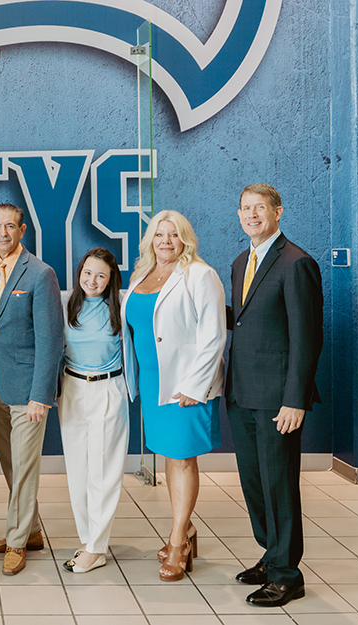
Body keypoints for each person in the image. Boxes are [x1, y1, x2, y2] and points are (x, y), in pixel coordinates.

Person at [226, 184, 323, 607]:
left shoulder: (296, 263)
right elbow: (242, 321)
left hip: (277, 397)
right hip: (242, 392)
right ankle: (271, 554)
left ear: (277, 212)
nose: (252, 215)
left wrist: (295, 399)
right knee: (253, 483)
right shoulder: (239, 262)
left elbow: (307, 337)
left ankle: (287, 575)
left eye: (259, 208)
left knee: (279, 484)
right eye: (245, 209)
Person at [121, 210, 226, 582]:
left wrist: (195, 386)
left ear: (186, 239)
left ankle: (179, 540)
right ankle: (185, 527)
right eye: (159, 234)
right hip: (153, 384)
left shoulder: (200, 275)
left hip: (185, 387)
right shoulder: (141, 276)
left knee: (182, 460)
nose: (166, 241)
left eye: (174, 235)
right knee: (169, 456)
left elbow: (214, 335)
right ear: (150, 240)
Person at [0, 203, 64, 576]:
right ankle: (31, 532)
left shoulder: (40, 274)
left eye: (10, 226)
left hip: (28, 391)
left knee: (26, 468)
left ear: (22, 230)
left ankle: (15, 541)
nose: (3, 233)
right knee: (12, 466)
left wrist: (40, 396)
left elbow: (50, 340)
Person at [59, 248, 129, 574]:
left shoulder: (121, 307)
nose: (92, 281)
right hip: (72, 389)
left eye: (101, 275)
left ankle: (95, 546)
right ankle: (90, 542)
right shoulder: (66, 305)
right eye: (87, 273)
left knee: (103, 472)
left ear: (111, 279)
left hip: (107, 389)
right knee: (78, 473)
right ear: (79, 273)